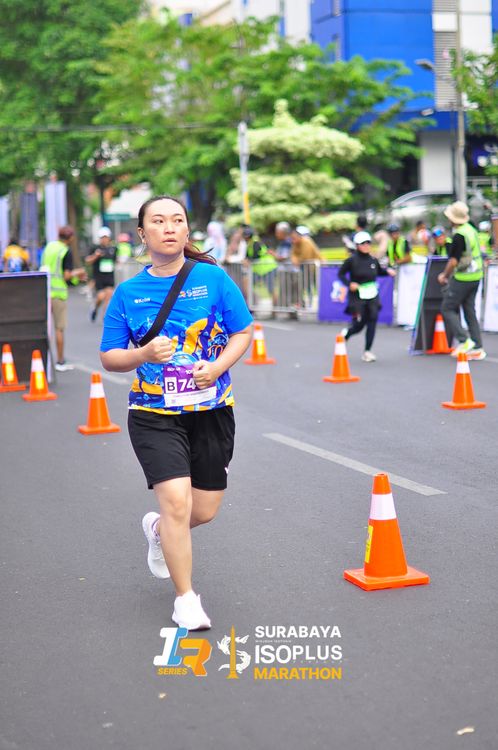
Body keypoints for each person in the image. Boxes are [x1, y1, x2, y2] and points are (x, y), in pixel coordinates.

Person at [100, 195, 253, 630]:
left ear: (187, 230)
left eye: (177, 220)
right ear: (142, 234)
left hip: (211, 411)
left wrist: (217, 367)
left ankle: (156, 532)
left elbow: (243, 331)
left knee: (201, 511)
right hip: (153, 414)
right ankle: (186, 599)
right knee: (176, 503)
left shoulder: (213, 278)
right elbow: (110, 356)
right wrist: (143, 353)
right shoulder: (128, 293)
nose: (169, 227)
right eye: (158, 221)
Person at [437, 201, 486, 360]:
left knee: (447, 308)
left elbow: (453, 261)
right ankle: (477, 346)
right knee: (470, 311)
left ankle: (464, 341)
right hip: (476, 275)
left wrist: (444, 275)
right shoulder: (471, 229)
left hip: (463, 277)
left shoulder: (459, 235)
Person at [338, 231, 396, 362]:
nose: (366, 245)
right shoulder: (351, 260)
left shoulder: (373, 260)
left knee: (372, 320)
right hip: (357, 295)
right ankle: (347, 334)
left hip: (372, 294)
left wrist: (388, 271)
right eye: (363, 243)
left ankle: (367, 351)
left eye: (368, 243)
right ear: (357, 245)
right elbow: (341, 274)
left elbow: (378, 271)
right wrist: (349, 284)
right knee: (359, 324)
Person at [40, 225, 87, 371]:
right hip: (58, 294)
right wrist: (78, 273)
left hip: (44, 291)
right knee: (59, 328)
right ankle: (60, 361)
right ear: (70, 238)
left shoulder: (49, 247)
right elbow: (66, 275)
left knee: (44, 328)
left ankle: (41, 360)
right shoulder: (66, 251)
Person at [86, 227, 118, 322]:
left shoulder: (113, 249)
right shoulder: (95, 248)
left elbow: (115, 261)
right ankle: (95, 308)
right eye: (102, 237)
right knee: (100, 297)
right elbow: (88, 261)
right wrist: (96, 256)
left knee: (108, 297)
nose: (104, 239)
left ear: (109, 238)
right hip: (98, 277)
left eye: (106, 237)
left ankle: (105, 318)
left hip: (109, 276)